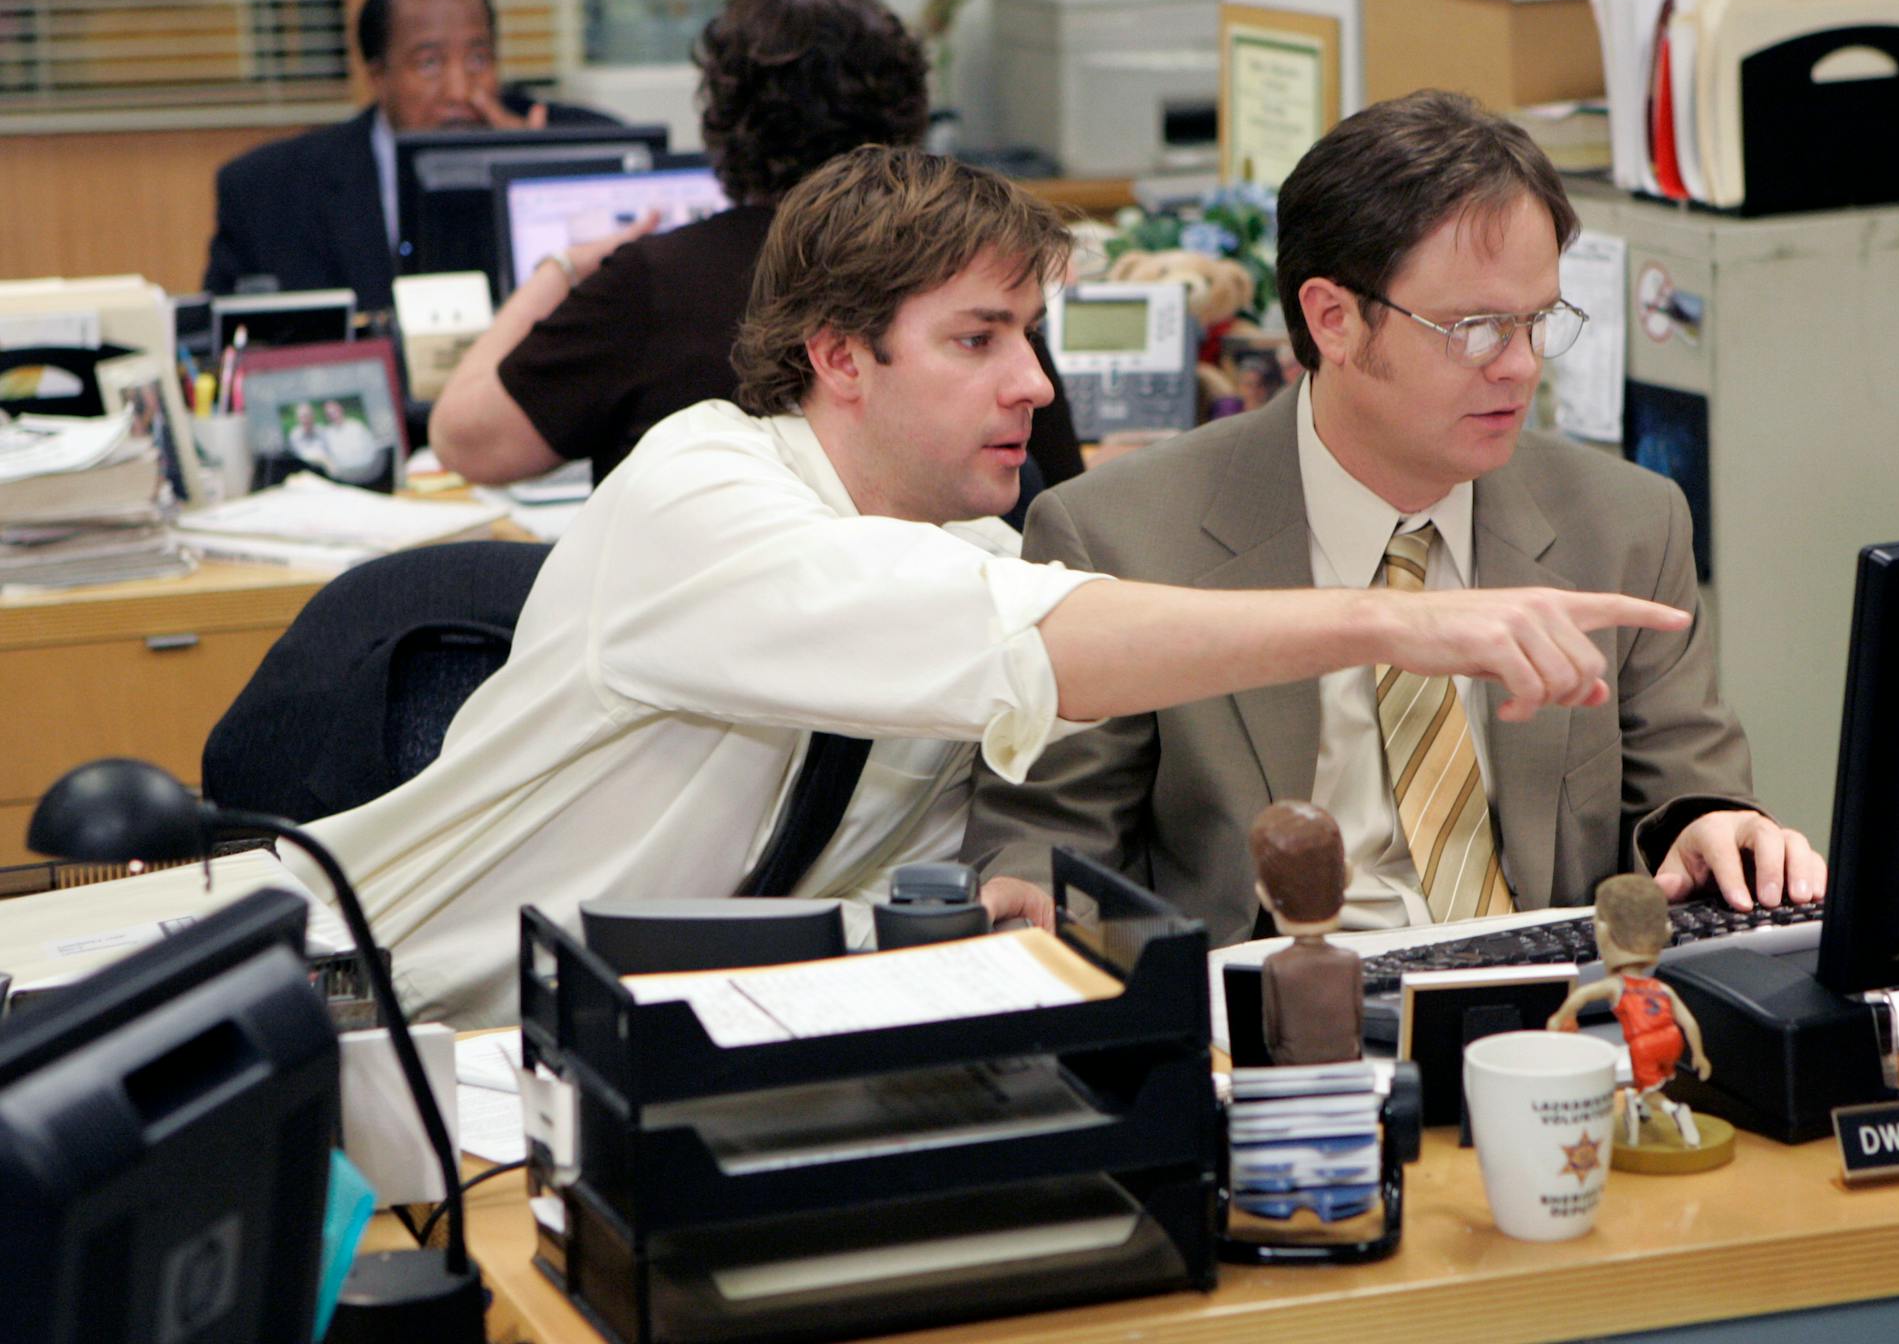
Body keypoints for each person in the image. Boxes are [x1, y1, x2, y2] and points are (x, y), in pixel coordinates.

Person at [300, 145, 1690, 1029]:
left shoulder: (968, 551)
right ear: (840, 356)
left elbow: (1011, 799)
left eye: (1030, 334)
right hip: (395, 1017)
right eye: (978, 338)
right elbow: (1035, 647)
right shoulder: (699, 494)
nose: (1034, 383)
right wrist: (1407, 618)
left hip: (661, 1036)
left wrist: (1019, 897)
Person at [964, 90, 1826, 946]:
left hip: (1554, 1007)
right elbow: (1046, 845)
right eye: (1478, 328)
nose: (1520, 367)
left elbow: (1686, 787)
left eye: (1539, 320)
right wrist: (1034, 907)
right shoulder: (1118, 537)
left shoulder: (1626, 522)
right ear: (1332, 320)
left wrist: (1713, 831)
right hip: (1281, 1018)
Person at [427, 0, 1093, 492]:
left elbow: (466, 440)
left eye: (995, 337)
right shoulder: (954, 279)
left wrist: (563, 269)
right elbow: (1058, 496)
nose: (1024, 378)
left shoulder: (655, 279)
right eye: (981, 339)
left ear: (724, 115)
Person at [202, 0, 614, 312]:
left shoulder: (559, 138)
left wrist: (535, 171)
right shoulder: (269, 191)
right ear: (379, 75)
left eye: (477, 58)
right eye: (430, 63)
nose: (459, 90)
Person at [1548, 873, 1710, 1147]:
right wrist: (1698, 1055)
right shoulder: (1662, 988)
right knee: (1650, 1082)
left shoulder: (1617, 986)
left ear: (1603, 932)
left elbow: (1582, 995)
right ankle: (1640, 1109)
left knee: (1650, 1090)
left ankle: (1673, 1111)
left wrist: (1559, 1018)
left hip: (1644, 1046)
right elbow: (1689, 1023)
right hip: (1672, 1041)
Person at [1251, 801, 1363, 1067]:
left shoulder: (1277, 966)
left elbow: (1272, 1033)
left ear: (1264, 895)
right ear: (1346, 877)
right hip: (1346, 1071)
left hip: (1292, 1074)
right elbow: (1358, 1024)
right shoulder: (1350, 961)